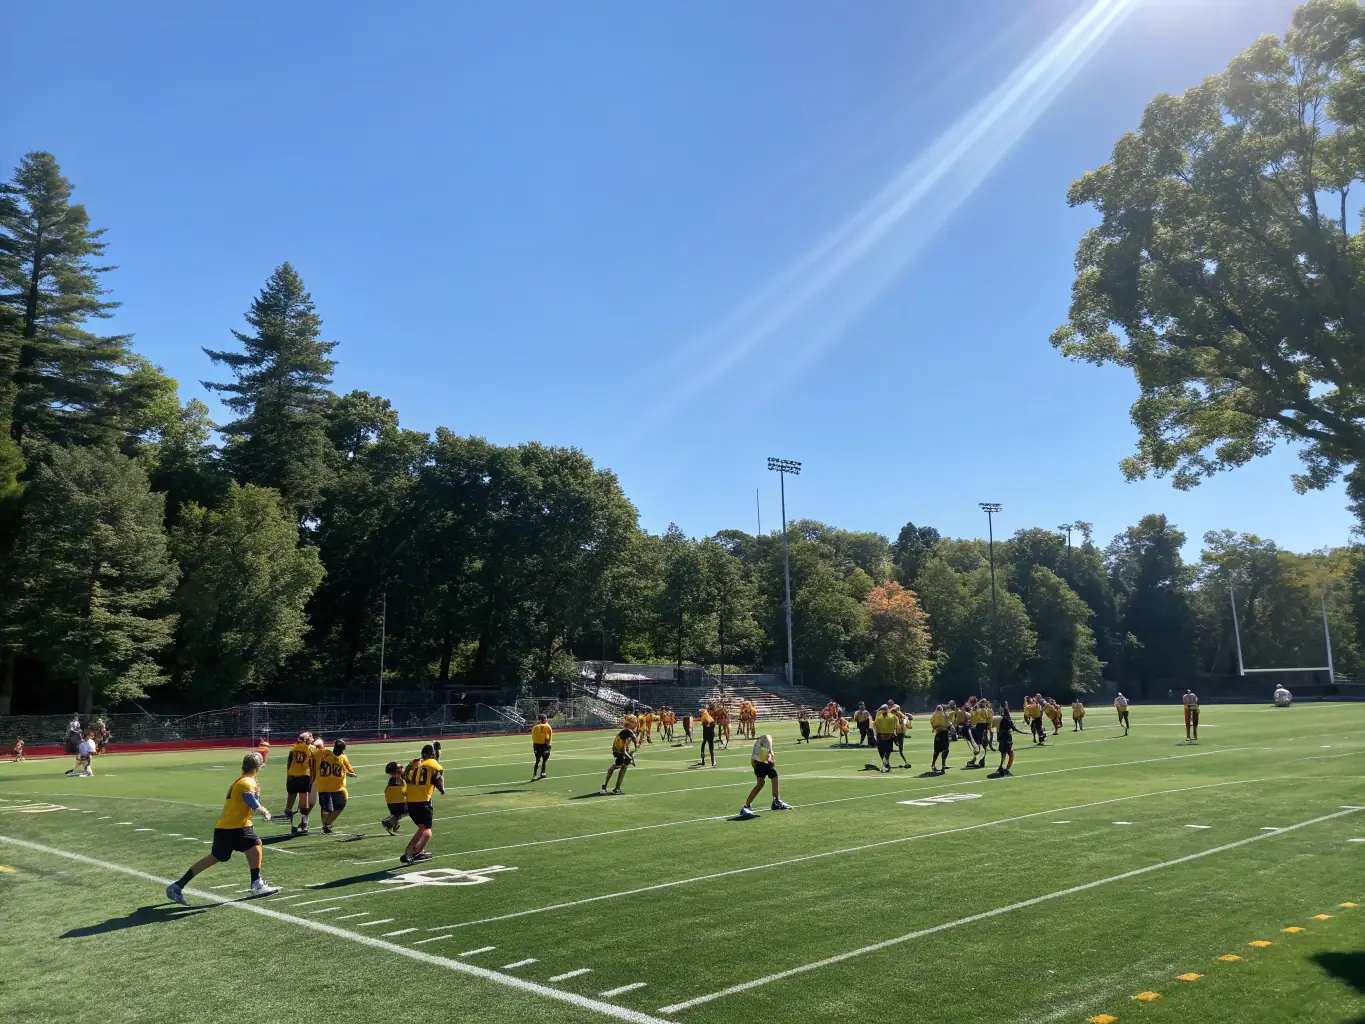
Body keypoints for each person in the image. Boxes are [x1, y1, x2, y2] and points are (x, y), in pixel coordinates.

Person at [165, 752, 279, 904]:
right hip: (237, 827)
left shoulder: (242, 781)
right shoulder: (247, 782)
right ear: (257, 768)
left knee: (216, 857)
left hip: (225, 828)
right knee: (255, 844)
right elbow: (249, 798)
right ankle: (257, 884)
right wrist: (263, 809)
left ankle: (177, 885)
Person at [401, 744, 444, 864]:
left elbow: (405, 776)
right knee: (426, 831)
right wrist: (441, 789)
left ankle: (418, 851)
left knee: (421, 827)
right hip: (423, 800)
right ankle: (410, 853)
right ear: (430, 755)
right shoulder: (431, 763)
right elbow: (438, 775)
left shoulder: (413, 763)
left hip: (410, 800)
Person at [739, 734, 791, 818]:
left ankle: (776, 801)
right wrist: (771, 760)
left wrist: (771, 759)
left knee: (772, 777)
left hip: (759, 761)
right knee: (762, 783)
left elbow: (769, 752)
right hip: (758, 761)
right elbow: (769, 751)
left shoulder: (764, 740)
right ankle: (747, 806)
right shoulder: (767, 740)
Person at [315, 738, 356, 835]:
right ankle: (326, 824)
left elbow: (352, 772)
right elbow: (353, 773)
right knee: (328, 807)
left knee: (338, 806)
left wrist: (347, 773)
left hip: (333, 787)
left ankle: (327, 824)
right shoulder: (325, 753)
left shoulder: (326, 753)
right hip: (328, 786)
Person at [282, 731, 316, 834]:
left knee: (289, 805)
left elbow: (289, 762)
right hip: (304, 777)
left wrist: (288, 775)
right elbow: (313, 763)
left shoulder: (294, 748)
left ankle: (293, 823)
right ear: (308, 740)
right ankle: (304, 824)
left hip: (292, 777)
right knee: (304, 805)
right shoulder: (311, 749)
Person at [989, 703, 1023, 778]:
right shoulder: (1008, 720)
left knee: (1003, 754)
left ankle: (1001, 768)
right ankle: (1006, 769)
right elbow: (1015, 729)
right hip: (1007, 738)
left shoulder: (1000, 719)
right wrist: (1023, 732)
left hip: (1000, 738)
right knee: (1011, 754)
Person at [602, 723, 636, 795]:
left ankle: (615, 788)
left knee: (623, 767)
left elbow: (627, 744)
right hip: (619, 753)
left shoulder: (622, 735)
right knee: (618, 767)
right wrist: (630, 758)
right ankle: (610, 788)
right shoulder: (623, 740)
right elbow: (624, 750)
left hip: (619, 752)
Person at [380, 760, 407, 835]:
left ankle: (394, 823)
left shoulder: (392, 780)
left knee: (396, 813)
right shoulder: (400, 780)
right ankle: (389, 822)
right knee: (412, 809)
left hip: (390, 802)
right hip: (398, 802)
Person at [872, 704, 899, 773]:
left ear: (887, 709)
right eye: (882, 709)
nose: (883, 710)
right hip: (880, 737)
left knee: (887, 753)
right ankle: (887, 765)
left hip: (889, 737)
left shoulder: (893, 717)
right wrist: (876, 736)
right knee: (881, 753)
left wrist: (895, 736)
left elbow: (897, 727)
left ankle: (885, 766)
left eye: (884, 709)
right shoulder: (878, 718)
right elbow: (875, 727)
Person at [967, 699, 992, 769]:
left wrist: (989, 727)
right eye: (983, 702)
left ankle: (981, 761)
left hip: (983, 727)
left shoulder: (987, 710)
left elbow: (989, 719)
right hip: (978, 727)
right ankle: (977, 760)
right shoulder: (978, 710)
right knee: (978, 745)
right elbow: (971, 716)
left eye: (985, 702)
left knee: (983, 745)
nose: (984, 703)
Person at [929, 704, 950, 774]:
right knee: (945, 749)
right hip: (944, 733)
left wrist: (934, 728)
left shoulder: (934, 715)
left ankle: (933, 764)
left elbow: (931, 722)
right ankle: (943, 765)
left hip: (938, 733)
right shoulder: (945, 715)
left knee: (936, 751)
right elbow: (948, 724)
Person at [531, 714, 553, 780]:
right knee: (544, 760)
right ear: (544, 719)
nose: (547, 719)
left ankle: (534, 775)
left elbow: (533, 737)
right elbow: (548, 738)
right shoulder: (547, 727)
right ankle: (543, 773)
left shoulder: (535, 727)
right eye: (546, 718)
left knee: (537, 760)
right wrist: (547, 747)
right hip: (544, 745)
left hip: (536, 745)